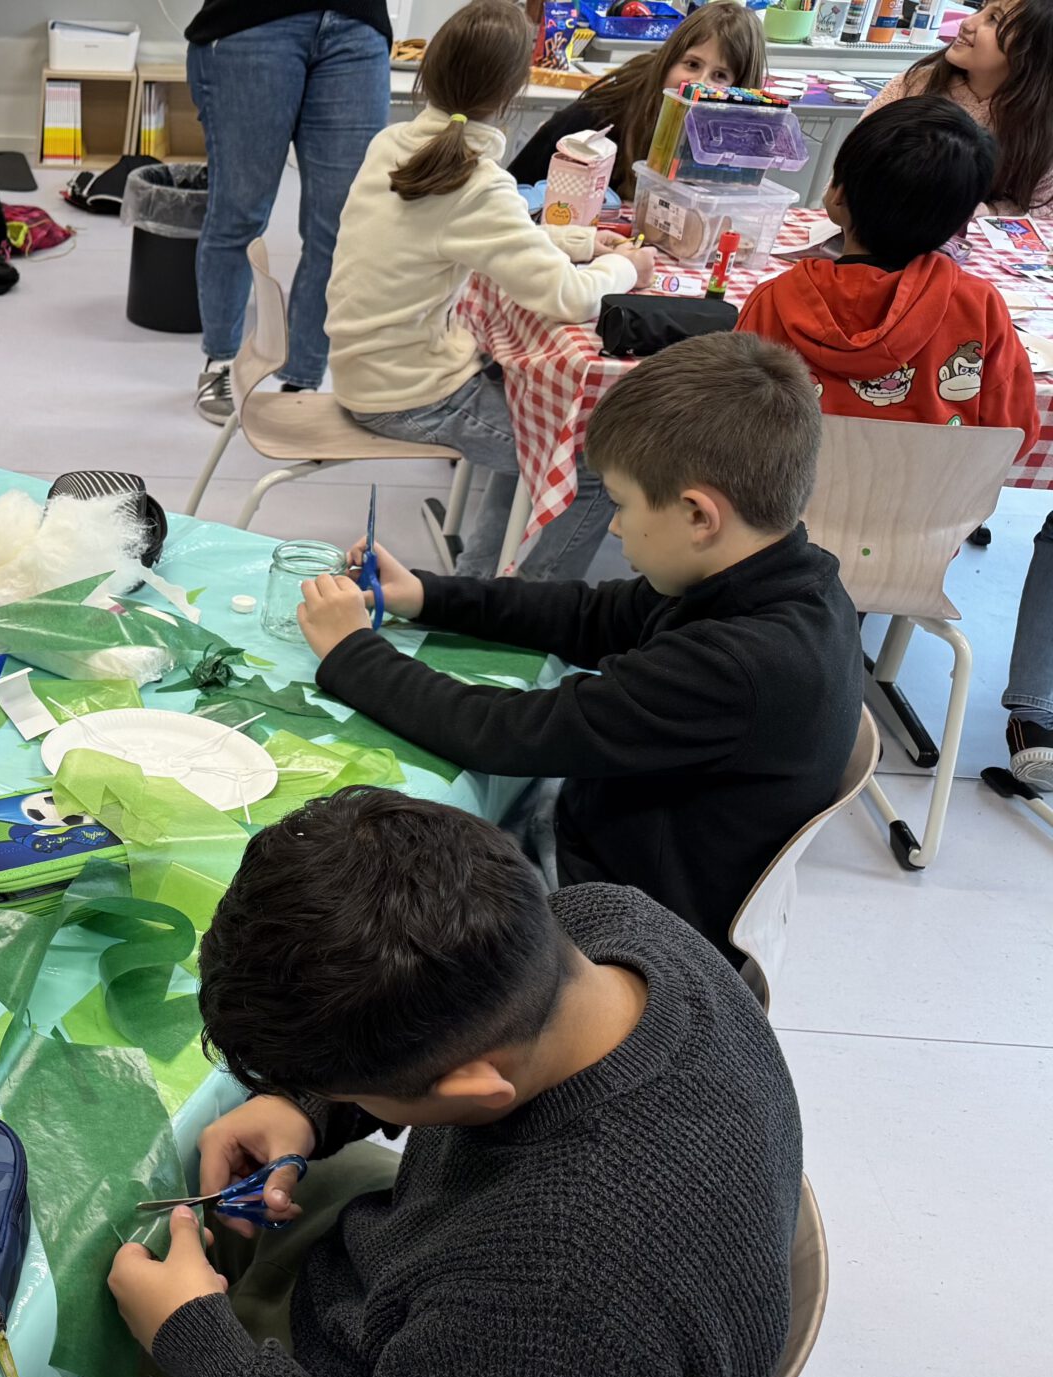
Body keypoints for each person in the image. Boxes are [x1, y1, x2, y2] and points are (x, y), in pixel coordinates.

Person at [98, 787, 802, 1377]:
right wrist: (307, 1107)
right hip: (431, 1291)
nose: (342, 1100)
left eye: (349, 1090)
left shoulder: (543, 1309)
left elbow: (529, 1328)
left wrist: (209, 1356)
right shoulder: (605, 924)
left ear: (473, 1091)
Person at [296, 331, 863, 960]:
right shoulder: (776, 576)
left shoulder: (735, 666)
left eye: (620, 504)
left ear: (699, 516)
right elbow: (589, 615)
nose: (614, 526)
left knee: (351, 895)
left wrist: (351, 652)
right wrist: (429, 595)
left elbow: (502, 733)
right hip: (617, 835)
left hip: (621, 919)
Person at [737, 98, 1050, 790]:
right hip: (914, 551)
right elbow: (1015, 434)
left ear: (836, 196)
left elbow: (729, 427)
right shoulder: (981, 308)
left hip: (774, 547)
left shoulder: (775, 300)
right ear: (962, 223)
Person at [324, 0, 658, 582]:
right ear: (513, 91)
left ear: (428, 72)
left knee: (534, 418)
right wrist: (627, 267)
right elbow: (572, 298)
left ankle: (479, 582)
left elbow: (477, 232)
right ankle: (532, 608)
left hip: (365, 371)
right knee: (594, 470)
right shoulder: (476, 181)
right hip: (405, 396)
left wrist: (580, 242)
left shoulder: (395, 144)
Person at [186, 0, 392, 425]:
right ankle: (221, 363)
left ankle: (303, 379)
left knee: (342, 228)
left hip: (357, 23)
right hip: (252, 21)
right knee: (239, 213)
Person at [508, 0, 767, 199]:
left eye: (720, 76)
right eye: (692, 64)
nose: (700, 83)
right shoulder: (605, 115)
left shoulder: (729, 138)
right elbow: (518, 190)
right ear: (669, 60)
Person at [864, 0, 1053, 224]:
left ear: (1033, 48)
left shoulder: (1042, 121)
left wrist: (989, 211)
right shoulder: (916, 85)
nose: (967, 22)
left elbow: (1043, 213)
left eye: (994, 19)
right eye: (980, 9)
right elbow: (854, 169)